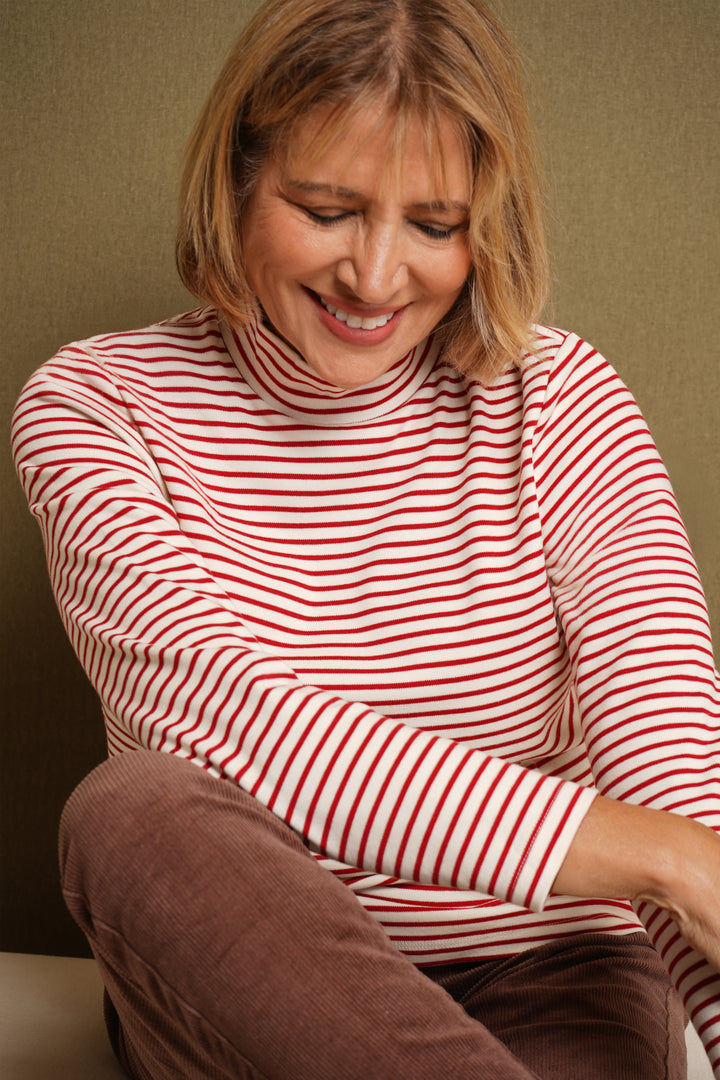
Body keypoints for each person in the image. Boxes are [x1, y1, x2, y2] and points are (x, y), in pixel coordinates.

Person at [11, 0, 720, 1076]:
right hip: (244, 981)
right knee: (134, 809)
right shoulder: (96, 405)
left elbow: (677, 782)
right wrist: (658, 859)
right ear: (236, 178)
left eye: (435, 225)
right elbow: (225, 722)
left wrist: (683, 866)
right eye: (327, 208)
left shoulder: (563, 398)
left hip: (554, 970)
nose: (377, 276)